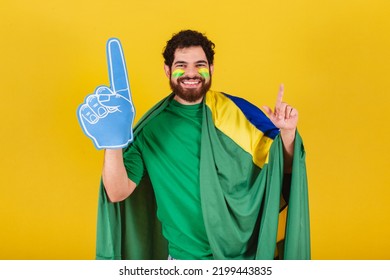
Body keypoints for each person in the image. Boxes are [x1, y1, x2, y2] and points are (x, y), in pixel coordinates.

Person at [94, 30, 310, 260]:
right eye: (181, 65)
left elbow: (283, 169)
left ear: (211, 69)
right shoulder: (151, 130)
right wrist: (113, 141)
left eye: (199, 65)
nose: (191, 73)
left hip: (243, 258)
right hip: (183, 260)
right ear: (167, 70)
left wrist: (288, 132)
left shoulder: (236, 113)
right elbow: (117, 192)